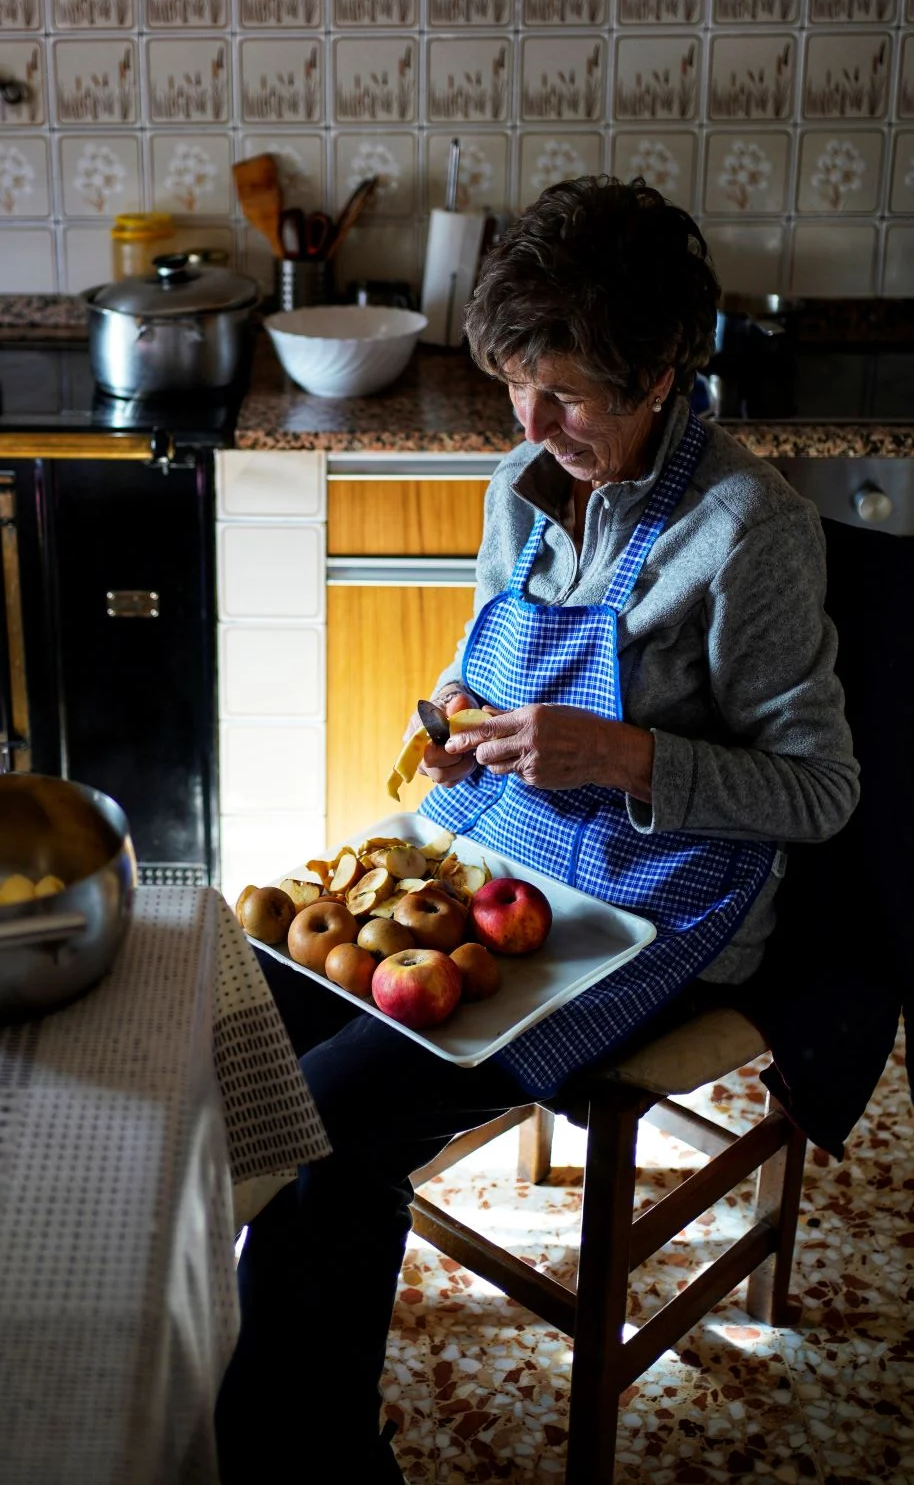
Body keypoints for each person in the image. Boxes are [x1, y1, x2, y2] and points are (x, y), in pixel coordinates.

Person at [215, 177, 859, 1485]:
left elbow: (821, 788)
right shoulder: (522, 483)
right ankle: (233, 1387)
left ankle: (308, 1457)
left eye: (563, 393)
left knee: (327, 1134)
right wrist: (453, 719)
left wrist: (626, 755)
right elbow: (483, 686)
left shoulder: (748, 536)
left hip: (652, 900)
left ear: (662, 369)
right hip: (500, 844)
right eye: (515, 380)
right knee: (232, 1015)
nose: (528, 419)